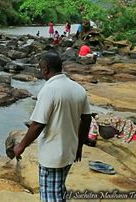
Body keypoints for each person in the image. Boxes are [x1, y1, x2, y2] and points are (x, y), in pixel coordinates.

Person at [13, 52, 91, 201]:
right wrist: (79, 145)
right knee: (59, 189)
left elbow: (37, 124)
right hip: (69, 151)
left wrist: (21, 146)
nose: (41, 71)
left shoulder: (49, 90)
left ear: (46, 69)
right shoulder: (78, 88)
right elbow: (86, 119)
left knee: (50, 196)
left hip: (52, 155)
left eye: (41, 68)